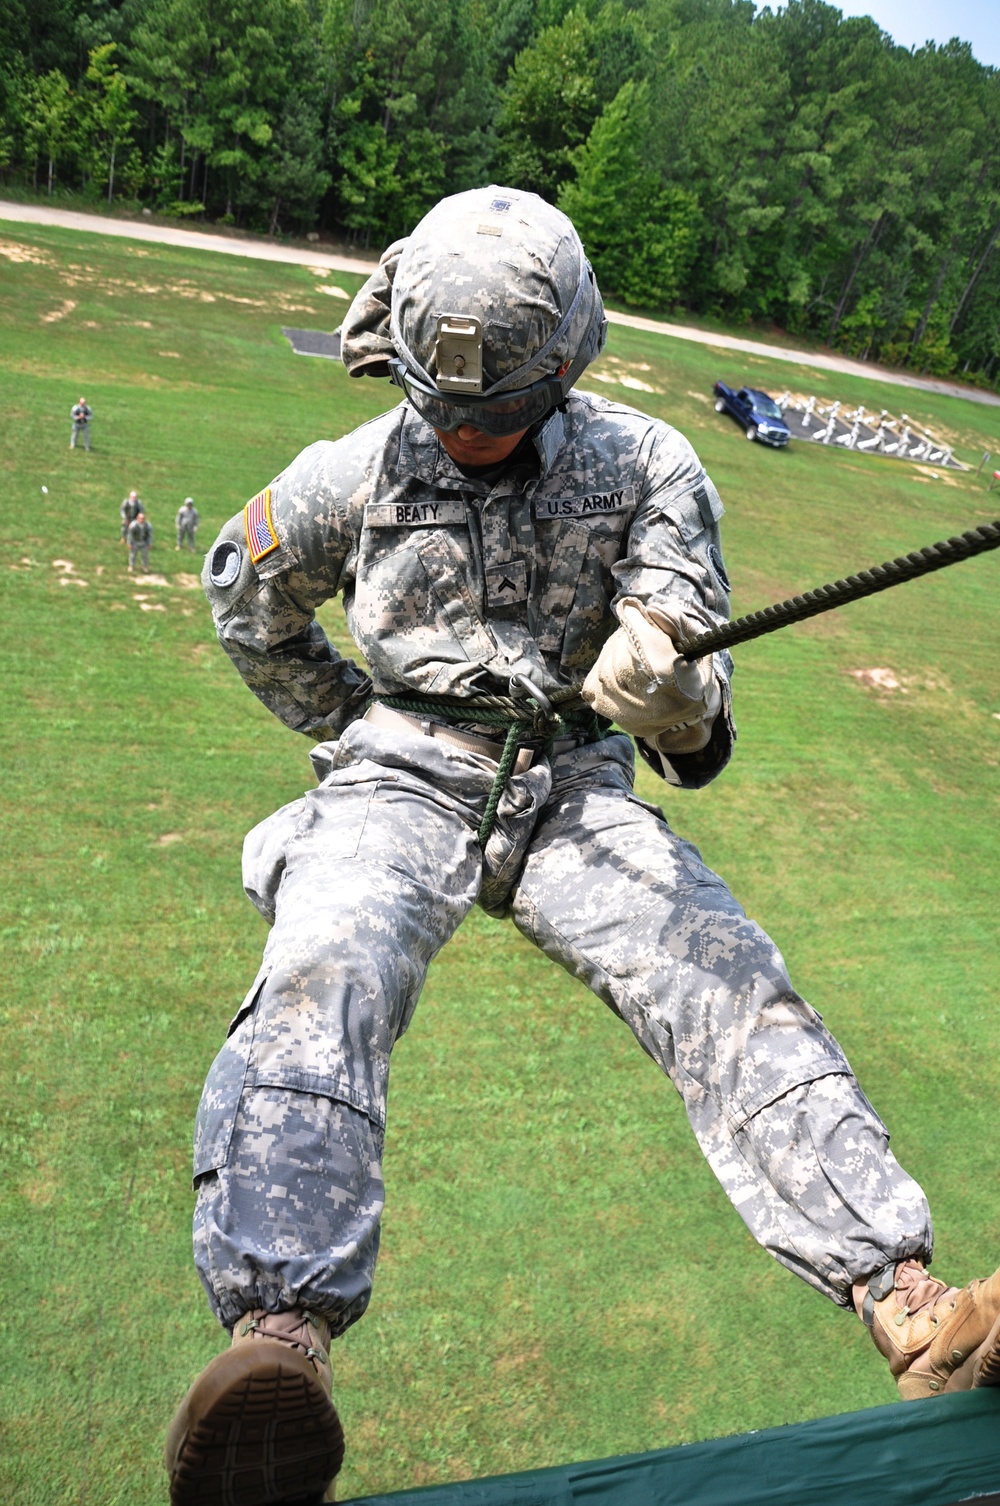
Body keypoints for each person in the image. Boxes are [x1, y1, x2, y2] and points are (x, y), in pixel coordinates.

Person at [166, 187, 1000, 1506]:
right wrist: (347, 729)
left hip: (569, 783)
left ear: (566, 367)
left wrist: (673, 693)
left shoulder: (649, 468)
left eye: (495, 410)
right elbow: (240, 584)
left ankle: (908, 1299)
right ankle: (278, 1343)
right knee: (327, 961)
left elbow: (696, 731)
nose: (469, 434)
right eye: (450, 410)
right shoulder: (355, 473)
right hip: (401, 772)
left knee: (717, 969)